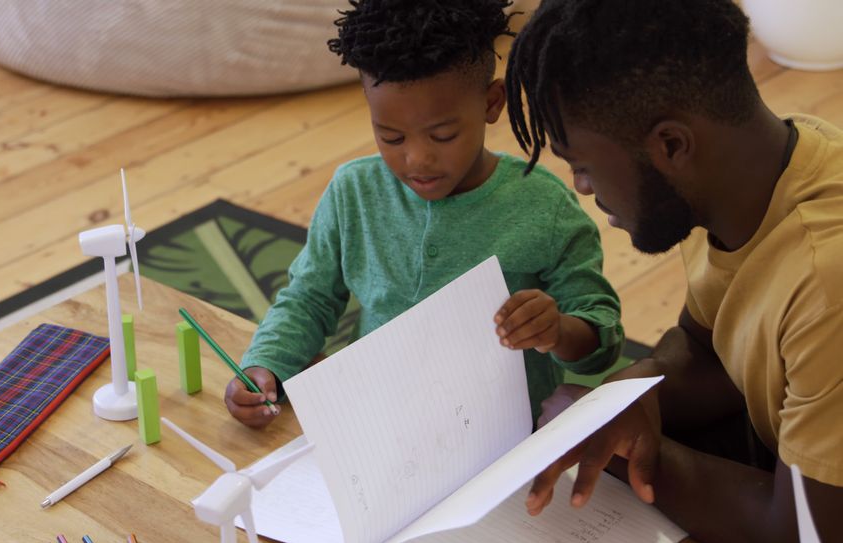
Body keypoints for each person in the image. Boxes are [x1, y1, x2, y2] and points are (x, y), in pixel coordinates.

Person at [505, 0, 843, 543]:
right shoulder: (747, 173)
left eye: (582, 164)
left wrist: (621, 449)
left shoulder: (825, 280)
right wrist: (622, 398)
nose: (582, 187)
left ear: (670, 146)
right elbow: (707, 348)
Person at [224, 0, 624, 431]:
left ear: (491, 104)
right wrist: (267, 363)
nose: (417, 159)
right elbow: (309, 298)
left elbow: (601, 335)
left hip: (503, 436)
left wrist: (559, 331)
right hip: (381, 424)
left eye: (443, 134)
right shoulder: (353, 192)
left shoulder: (544, 207)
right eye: (391, 136)